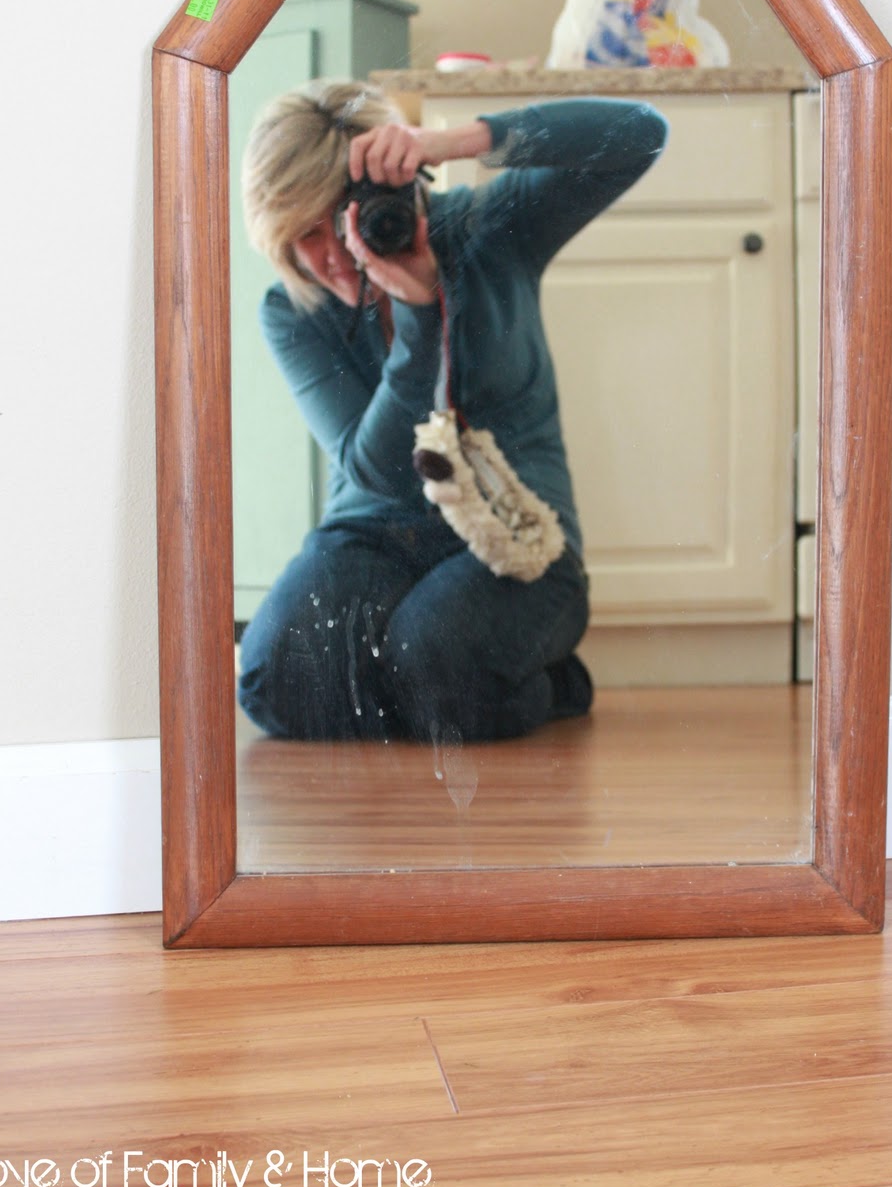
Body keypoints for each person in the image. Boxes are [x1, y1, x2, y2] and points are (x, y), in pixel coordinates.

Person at [237, 80, 668, 743]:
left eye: (341, 215)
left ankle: (542, 683)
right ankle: (437, 679)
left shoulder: (487, 232)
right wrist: (417, 316)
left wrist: (457, 139)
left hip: (517, 532)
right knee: (273, 684)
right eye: (303, 234)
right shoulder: (292, 309)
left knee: (433, 660)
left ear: (401, 188)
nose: (335, 253)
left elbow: (640, 131)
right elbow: (377, 472)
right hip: (374, 533)